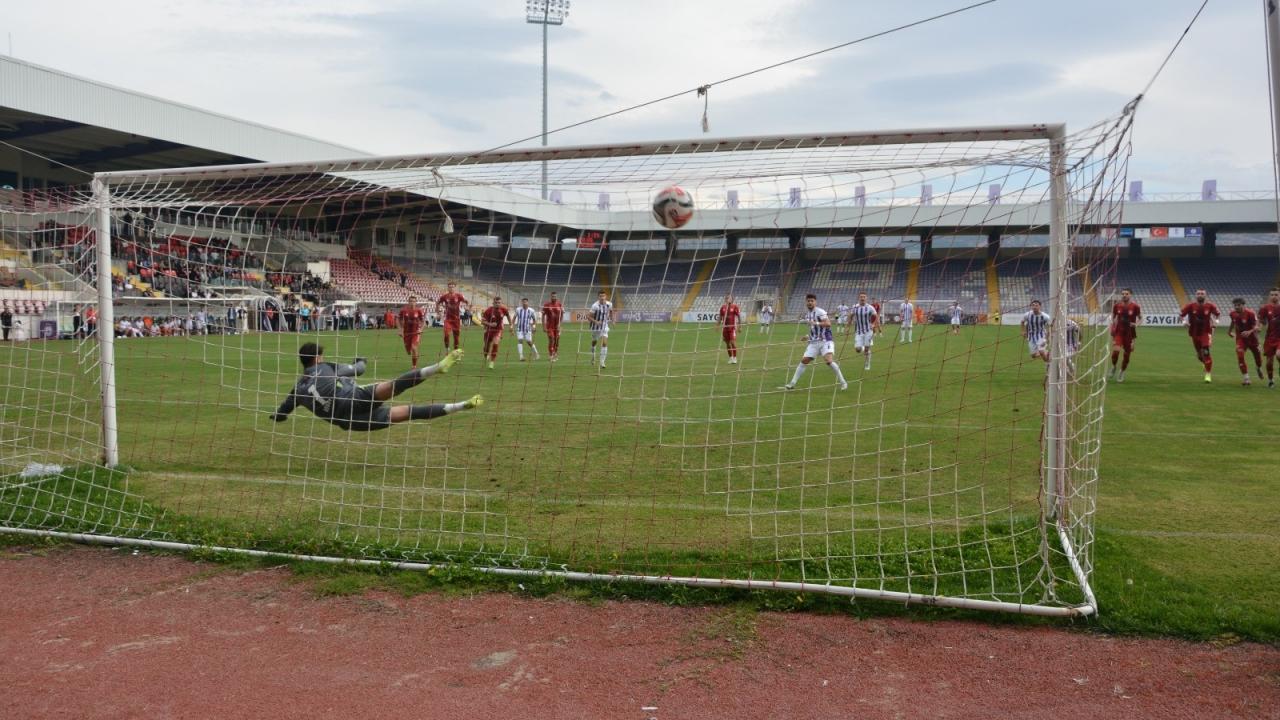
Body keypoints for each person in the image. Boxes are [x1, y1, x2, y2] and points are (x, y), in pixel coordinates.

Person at [270, 343, 479, 431]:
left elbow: (282, 412)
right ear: (317, 358)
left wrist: (278, 416)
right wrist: (362, 360)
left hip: (347, 421)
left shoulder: (297, 389)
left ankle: (460, 406)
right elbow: (358, 369)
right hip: (353, 398)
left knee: (409, 413)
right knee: (395, 386)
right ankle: (436, 368)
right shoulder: (325, 367)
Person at [782, 294, 848, 391]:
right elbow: (814, 329)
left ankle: (843, 382)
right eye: (808, 301)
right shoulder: (808, 314)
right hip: (814, 342)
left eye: (812, 301)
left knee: (828, 361)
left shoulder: (820, 312)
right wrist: (807, 336)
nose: (810, 302)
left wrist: (816, 322)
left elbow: (828, 323)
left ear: (815, 302)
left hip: (826, 340)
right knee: (804, 361)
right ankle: (792, 383)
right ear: (806, 302)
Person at [1179, 289, 1220, 383]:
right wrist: (1184, 321)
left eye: (1202, 294)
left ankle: (1208, 374)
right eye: (1198, 294)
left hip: (1206, 333)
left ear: (1205, 295)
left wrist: (1216, 322)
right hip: (1194, 333)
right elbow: (1181, 315)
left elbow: (1218, 315)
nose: (1200, 295)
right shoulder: (1190, 306)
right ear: (1196, 295)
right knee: (1200, 355)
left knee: (1206, 351)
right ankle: (1204, 363)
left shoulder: (1210, 306)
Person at [1227, 297, 1263, 387]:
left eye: (1238, 305)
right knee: (1240, 355)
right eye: (1235, 305)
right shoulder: (1232, 314)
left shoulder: (1250, 313)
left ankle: (1258, 368)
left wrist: (1249, 331)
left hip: (1253, 339)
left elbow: (1257, 326)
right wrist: (1229, 331)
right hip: (1241, 339)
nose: (1236, 307)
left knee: (1258, 359)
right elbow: (1233, 321)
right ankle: (1246, 378)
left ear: (1243, 305)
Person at [1108, 288, 1141, 383]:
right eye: (1123, 293)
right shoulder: (1117, 305)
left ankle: (1122, 372)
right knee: (1115, 352)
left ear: (1130, 295)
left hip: (1130, 334)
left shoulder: (1135, 306)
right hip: (1119, 332)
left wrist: (1136, 324)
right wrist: (1112, 328)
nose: (1124, 295)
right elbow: (1112, 317)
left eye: (1126, 293)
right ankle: (1114, 366)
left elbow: (1140, 318)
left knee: (1127, 356)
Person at [850, 292, 879, 371]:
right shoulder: (855, 307)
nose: (862, 298)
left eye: (864, 297)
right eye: (861, 297)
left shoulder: (870, 307)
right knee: (858, 350)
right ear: (859, 298)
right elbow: (851, 315)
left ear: (866, 298)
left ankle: (867, 364)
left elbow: (876, 316)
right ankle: (863, 347)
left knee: (866, 349)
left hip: (868, 331)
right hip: (858, 331)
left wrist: (873, 324)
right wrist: (847, 326)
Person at [481, 296, 511, 370]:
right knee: (486, 347)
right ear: (493, 303)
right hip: (489, 330)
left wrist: (511, 325)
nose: (498, 304)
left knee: (495, 343)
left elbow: (508, 315)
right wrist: (490, 324)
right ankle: (486, 354)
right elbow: (483, 322)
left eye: (499, 303)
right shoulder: (488, 310)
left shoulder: (503, 309)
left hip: (498, 330)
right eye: (496, 303)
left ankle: (492, 362)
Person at [436, 281, 468, 351]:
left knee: (456, 337)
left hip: (456, 320)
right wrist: (438, 313)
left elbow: (466, 301)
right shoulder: (444, 296)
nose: (451, 288)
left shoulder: (459, 296)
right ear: (448, 288)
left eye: (452, 287)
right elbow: (438, 302)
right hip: (448, 319)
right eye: (450, 287)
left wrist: (467, 307)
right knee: (446, 334)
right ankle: (447, 348)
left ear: (455, 287)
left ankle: (455, 351)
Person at [1259, 287, 1280, 388]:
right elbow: (1262, 322)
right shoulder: (1265, 308)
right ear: (1269, 296)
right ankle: (1271, 380)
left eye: (1276, 294)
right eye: (1272, 294)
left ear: (1279, 295)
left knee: (1279, 355)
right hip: (1270, 337)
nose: (1274, 296)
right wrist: (1259, 327)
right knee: (1269, 362)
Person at [398, 295, 426, 368]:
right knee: (408, 350)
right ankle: (411, 352)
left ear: (416, 302)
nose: (412, 303)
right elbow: (399, 319)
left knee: (414, 347)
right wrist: (400, 330)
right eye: (410, 301)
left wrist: (421, 329)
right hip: (406, 333)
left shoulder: (419, 310)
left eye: (414, 301)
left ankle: (414, 365)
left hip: (415, 332)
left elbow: (423, 322)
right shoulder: (403, 310)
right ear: (408, 302)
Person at [588, 290, 613, 369]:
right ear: (598, 297)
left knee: (604, 343)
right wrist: (596, 322)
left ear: (606, 296)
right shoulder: (595, 306)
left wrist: (612, 320)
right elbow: (589, 317)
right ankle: (593, 356)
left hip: (604, 326)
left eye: (603, 296)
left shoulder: (609, 304)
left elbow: (611, 311)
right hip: (595, 327)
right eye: (600, 296)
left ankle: (602, 362)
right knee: (594, 342)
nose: (602, 297)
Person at [513, 297, 540, 362]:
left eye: (526, 302)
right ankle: (521, 356)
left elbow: (534, 320)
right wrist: (511, 326)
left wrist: (534, 326)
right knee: (520, 340)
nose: (524, 303)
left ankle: (536, 353)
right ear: (522, 303)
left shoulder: (531, 310)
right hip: (519, 329)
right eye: (523, 302)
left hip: (527, 329)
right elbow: (514, 318)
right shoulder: (518, 310)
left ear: (528, 303)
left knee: (529, 342)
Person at [718, 294, 742, 364]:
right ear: (725, 299)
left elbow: (739, 316)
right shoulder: (723, 307)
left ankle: (735, 358)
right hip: (725, 328)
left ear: (732, 299)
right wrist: (717, 325)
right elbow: (720, 316)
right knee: (727, 343)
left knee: (732, 342)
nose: (728, 299)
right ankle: (730, 357)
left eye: (730, 298)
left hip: (733, 328)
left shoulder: (735, 307)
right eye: (727, 298)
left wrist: (740, 326)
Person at [542, 291, 564, 361]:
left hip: (557, 327)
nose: (553, 297)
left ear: (556, 297)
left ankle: (555, 353)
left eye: (555, 296)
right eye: (552, 296)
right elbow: (543, 315)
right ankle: (551, 355)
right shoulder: (547, 305)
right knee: (551, 339)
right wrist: (544, 326)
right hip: (550, 326)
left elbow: (562, 315)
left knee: (557, 340)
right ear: (550, 297)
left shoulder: (560, 304)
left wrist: (560, 325)